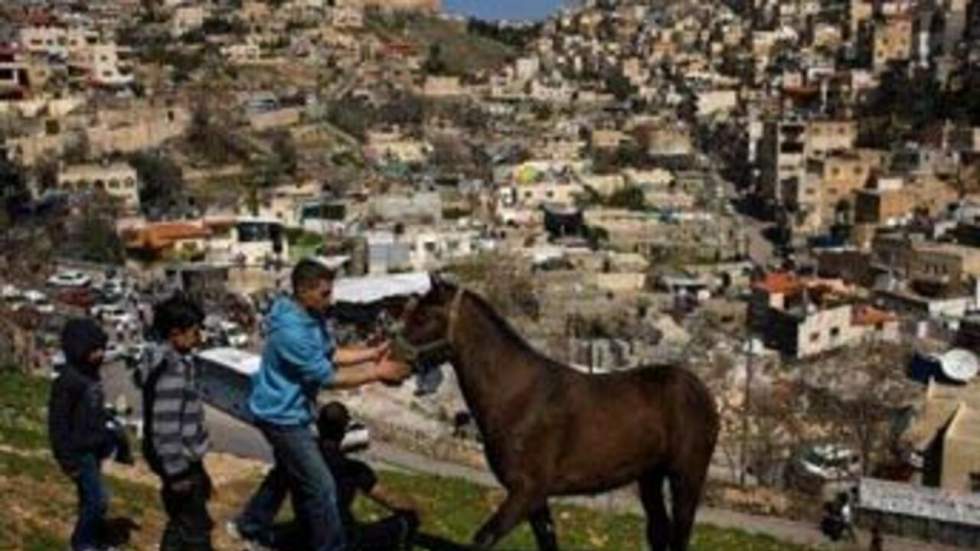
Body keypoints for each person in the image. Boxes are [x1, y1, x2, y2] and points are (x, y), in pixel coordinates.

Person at [230, 259, 412, 551]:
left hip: (290, 411)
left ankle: (249, 524)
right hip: (281, 417)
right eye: (324, 293)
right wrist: (379, 373)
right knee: (322, 487)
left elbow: (331, 353)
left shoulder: (309, 317)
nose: (331, 299)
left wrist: (371, 354)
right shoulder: (291, 332)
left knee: (287, 472)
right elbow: (328, 376)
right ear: (303, 291)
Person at [259, 402, 419, 550]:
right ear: (345, 431)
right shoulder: (353, 469)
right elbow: (390, 499)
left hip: (304, 533)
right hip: (342, 539)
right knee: (408, 519)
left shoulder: (300, 462)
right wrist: (412, 507)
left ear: (319, 425)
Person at [49, 318, 132, 551]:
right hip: (78, 452)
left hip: (93, 448)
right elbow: (58, 424)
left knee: (89, 499)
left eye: (101, 349)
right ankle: (82, 543)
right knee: (99, 500)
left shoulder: (90, 375)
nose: (100, 354)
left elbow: (93, 411)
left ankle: (94, 538)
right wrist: (67, 460)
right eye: (94, 350)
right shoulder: (68, 382)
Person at [140, 295, 213, 551]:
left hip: (185, 460)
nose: (200, 336)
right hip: (179, 462)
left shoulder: (176, 363)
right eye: (195, 330)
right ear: (175, 333)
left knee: (181, 522)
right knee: (196, 532)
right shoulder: (171, 372)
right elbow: (166, 429)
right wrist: (177, 472)